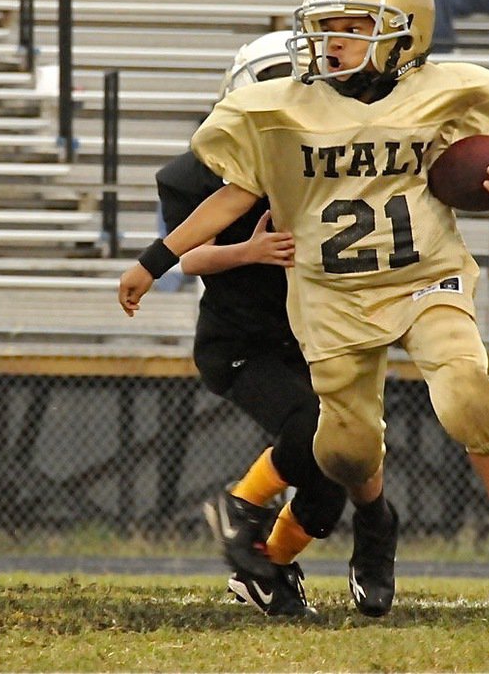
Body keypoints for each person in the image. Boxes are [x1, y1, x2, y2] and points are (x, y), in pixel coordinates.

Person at [119, 0, 489, 617]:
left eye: (351, 27)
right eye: (327, 26)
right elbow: (226, 199)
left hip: (424, 276)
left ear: (405, 33)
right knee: (344, 449)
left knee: (467, 396)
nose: (329, 42)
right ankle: (365, 534)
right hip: (331, 297)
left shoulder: (447, 95)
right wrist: (152, 261)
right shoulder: (278, 112)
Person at [157, 30, 346, 618]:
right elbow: (188, 257)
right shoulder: (194, 174)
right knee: (310, 425)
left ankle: (267, 573)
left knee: (336, 474)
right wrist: (249, 253)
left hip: (311, 333)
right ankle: (242, 507)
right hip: (241, 339)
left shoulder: (328, 161)